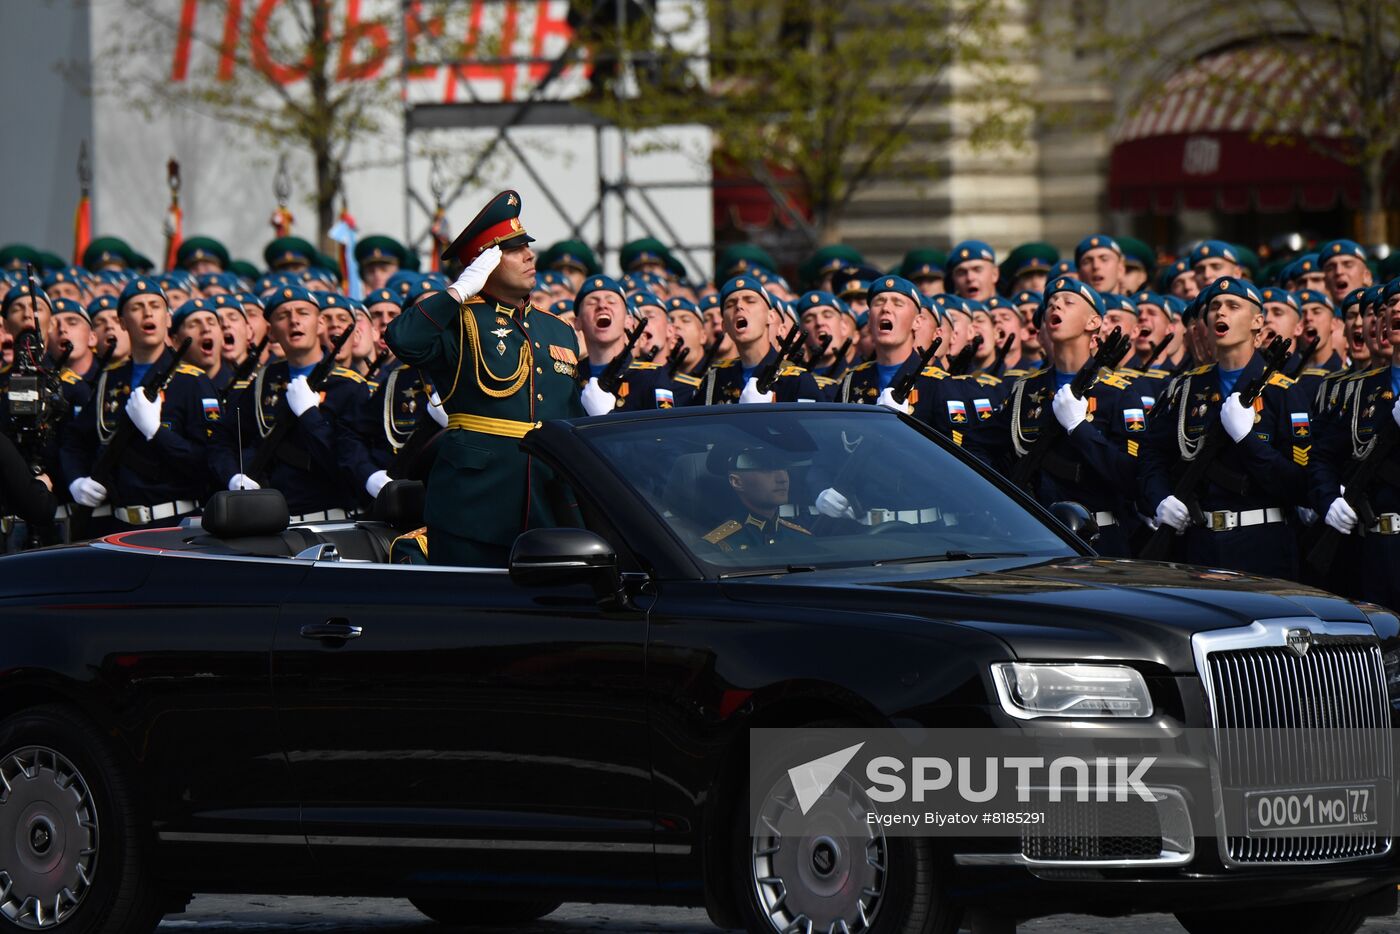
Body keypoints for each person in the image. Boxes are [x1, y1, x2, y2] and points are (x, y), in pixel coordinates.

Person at [385, 190, 583, 567]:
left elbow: (570, 418)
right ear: (485, 262)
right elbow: (402, 339)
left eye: (527, 246)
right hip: (474, 507)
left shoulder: (558, 330)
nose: (529, 255)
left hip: (548, 504)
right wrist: (460, 290)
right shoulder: (458, 319)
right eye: (513, 249)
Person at [1141, 276, 1313, 577]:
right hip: (1198, 543)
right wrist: (1159, 499)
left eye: (1233, 306)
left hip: (1261, 543)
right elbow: (1152, 456)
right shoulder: (1184, 388)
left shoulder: (1282, 391)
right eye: (1215, 307)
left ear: (1257, 321)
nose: (1221, 312)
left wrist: (1247, 440)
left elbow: (1300, 482)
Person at [965, 277, 1139, 556]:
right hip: (1035, 535)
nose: (1056, 305)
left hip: (1099, 538)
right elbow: (976, 447)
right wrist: (1006, 495)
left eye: (1068, 302)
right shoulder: (1026, 391)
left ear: (1093, 322)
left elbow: (1132, 476)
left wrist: (1079, 428)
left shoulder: (1117, 393)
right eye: (1051, 304)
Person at [59, 277, 217, 530]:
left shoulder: (192, 382)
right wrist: (76, 480)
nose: (147, 312)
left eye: (155, 305)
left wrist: (157, 433)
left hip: (175, 524)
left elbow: (207, 460)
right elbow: (74, 440)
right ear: (122, 323)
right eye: (136, 307)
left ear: (167, 319)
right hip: (119, 525)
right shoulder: (110, 379)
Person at [210, 286, 369, 521]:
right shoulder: (260, 385)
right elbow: (221, 442)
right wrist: (234, 476)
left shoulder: (348, 386)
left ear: (321, 323)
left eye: (303, 313)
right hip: (270, 522)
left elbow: (350, 462)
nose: (294, 321)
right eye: (283, 316)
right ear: (271, 332)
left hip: (331, 522)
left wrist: (309, 416)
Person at [1311, 284, 1400, 609]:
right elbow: (1322, 456)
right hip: (1373, 547)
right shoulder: (1360, 390)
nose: (1396, 309)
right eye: (1391, 303)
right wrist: (1329, 498)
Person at [691, 276, 823, 405]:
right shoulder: (714, 380)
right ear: (724, 326)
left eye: (750, 301)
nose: (739, 306)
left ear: (770, 316)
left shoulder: (797, 381)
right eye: (730, 304)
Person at [577, 276, 689, 413]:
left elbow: (664, 431)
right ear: (578, 322)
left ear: (628, 321)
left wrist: (607, 416)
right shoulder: (570, 378)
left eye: (611, 302)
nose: (602, 305)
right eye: (592, 303)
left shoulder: (651, 376)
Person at [701, 446, 812, 553]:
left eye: (784, 468)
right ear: (737, 482)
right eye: (766, 469)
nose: (782, 479)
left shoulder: (802, 538)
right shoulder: (719, 548)